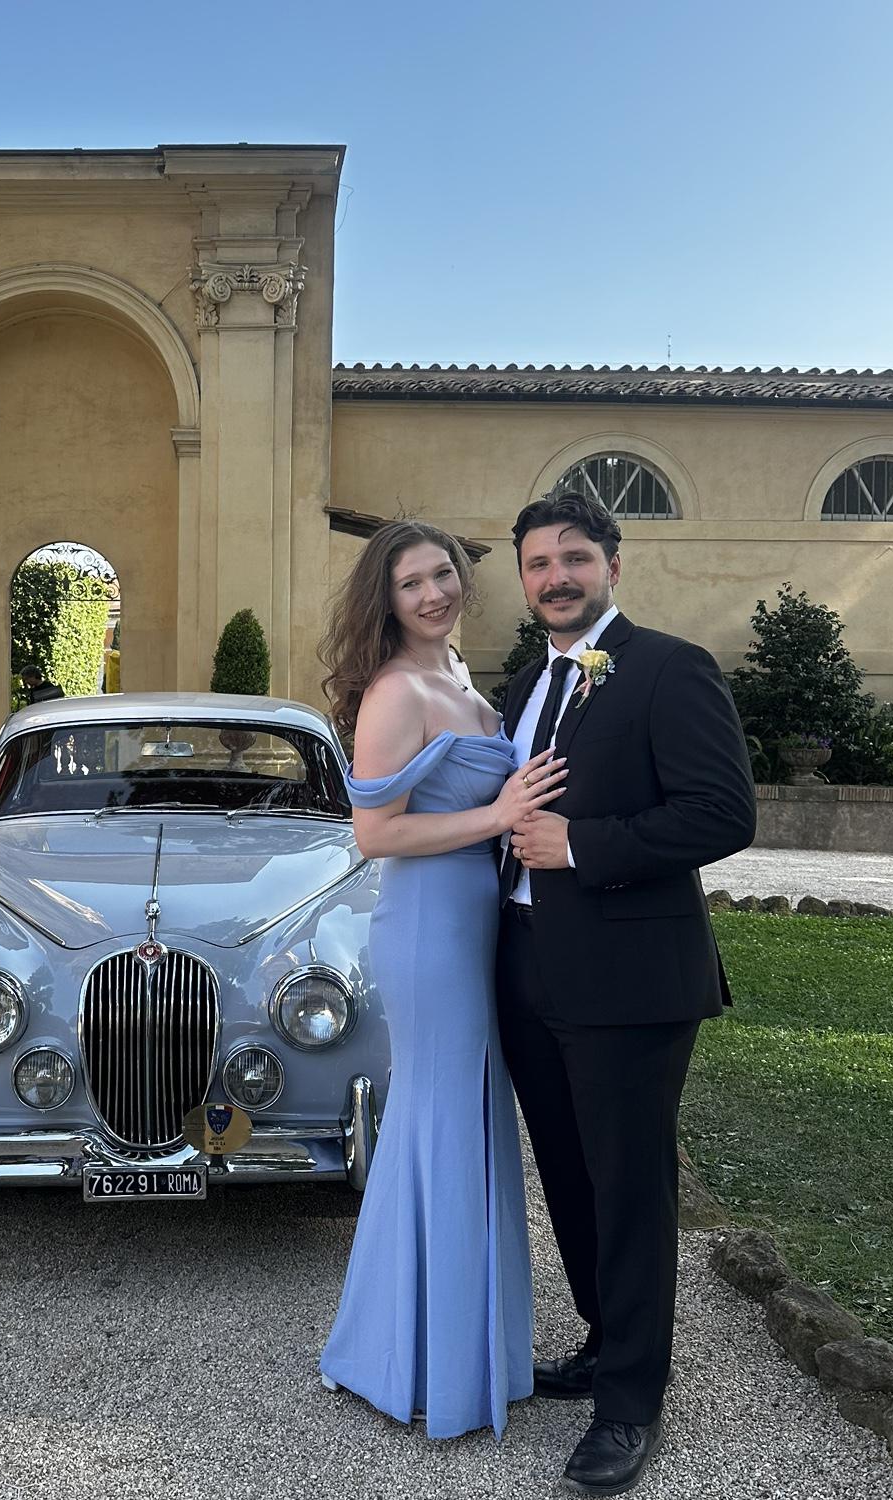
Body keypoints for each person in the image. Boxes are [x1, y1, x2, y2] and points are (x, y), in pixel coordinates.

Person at [497, 491, 755, 1494]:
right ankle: (608, 1340)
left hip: (632, 980)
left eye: (574, 558)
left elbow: (722, 813)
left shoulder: (668, 668)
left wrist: (581, 845)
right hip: (525, 963)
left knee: (630, 1188)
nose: (556, 576)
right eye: (538, 563)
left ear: (613, 564)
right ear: (524, 580)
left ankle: (631, 1403)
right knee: (567, 1175)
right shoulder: (527, 682)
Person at [316, 519, 568, 1439]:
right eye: (411, 583)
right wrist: (497, 816)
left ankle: (460, 1349)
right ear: (385, 600)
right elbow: (375, 834)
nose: (433, 594)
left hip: (477, 924)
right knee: (441, 1121)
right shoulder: (395, 690)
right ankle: (419, 1360)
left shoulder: (460, 674)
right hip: (428, 927)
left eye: (442, 575)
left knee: (471, 1120)